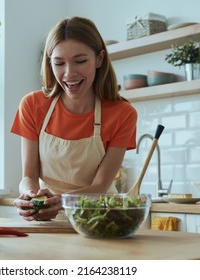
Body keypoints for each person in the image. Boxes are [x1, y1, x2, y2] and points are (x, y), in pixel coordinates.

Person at [11, 16, 137, 221]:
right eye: (59, 63)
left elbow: (100, 185)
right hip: (48, 219)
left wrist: (61, 201)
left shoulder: (122, 113)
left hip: (100, 219)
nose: (69, 74)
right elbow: (29, 176)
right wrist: (30, 196)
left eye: (80, 61)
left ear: (99, 59)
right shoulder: (32, 105)